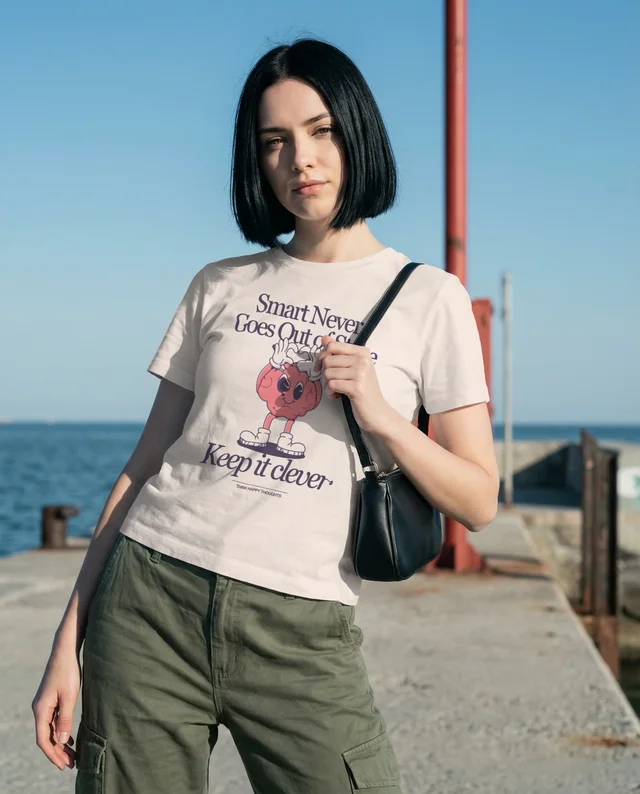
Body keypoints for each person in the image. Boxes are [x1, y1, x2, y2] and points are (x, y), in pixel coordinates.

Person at [32, 37, 499, 794]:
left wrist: (382, 415)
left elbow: (479, 499)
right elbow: (145, 466)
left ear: (358, 133)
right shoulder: (218, 284)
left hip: (301, 627)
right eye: (274, 142)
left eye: (321, 131)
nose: (299, 159)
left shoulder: (427, 296)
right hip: (149, 596)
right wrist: (68, 641)